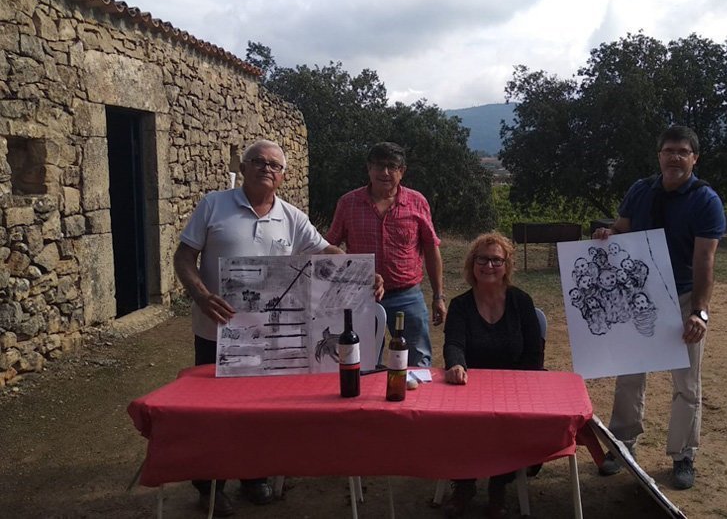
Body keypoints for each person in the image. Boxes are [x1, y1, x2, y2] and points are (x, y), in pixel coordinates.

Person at [174, 139, 383, 516]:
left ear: (283, 176)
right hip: (216, 332)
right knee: (211, 412)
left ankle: (253, 476)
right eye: (258, 161)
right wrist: (202, 296)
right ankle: (208, 486)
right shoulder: (213, 205)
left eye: (274, 165)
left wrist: (363, 273)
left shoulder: (292, 217)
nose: (266, 169)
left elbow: (324, 251)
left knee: (258, 411)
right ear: (244, 167)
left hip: (270, 336)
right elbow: (184, 257)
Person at [592, 126, 725, 490]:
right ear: (659, 156)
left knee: (686, 382)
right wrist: (608, 234)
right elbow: (622, 229)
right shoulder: (640, 191)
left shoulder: (705, 201)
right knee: (630, 374)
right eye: (669, 150)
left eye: (683, 151)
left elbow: (705, 261)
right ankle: (622, 446)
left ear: (694, 158)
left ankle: (683, 456)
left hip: (683, 296)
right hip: (641, 296)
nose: (675, 157)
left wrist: (700, 312)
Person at [441, 232, 543, 518]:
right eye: (482, 259)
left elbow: (534, 354)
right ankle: (464, 484)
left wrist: (519, 385)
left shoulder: (522, 302)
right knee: (459, 421)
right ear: (472, 264)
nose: (488, 266)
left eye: (496, 260)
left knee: (512, 422)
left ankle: (499, 485)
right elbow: (454, 343)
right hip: (470, 387)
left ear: (507, 265)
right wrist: (456, 365)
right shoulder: (461, 305)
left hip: (516, 386)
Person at [326, 142, 446, 368]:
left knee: (418, 360)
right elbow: (329, 245)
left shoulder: (417, 202)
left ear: (402, 171)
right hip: (362, 296)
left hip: (408, 296)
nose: (385, 173)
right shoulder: (348, 202)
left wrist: (438, 296)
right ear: (368, 169)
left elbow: (431, 248)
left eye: (392, 166)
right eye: (379, 166)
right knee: (362, 361)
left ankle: (416, 402)